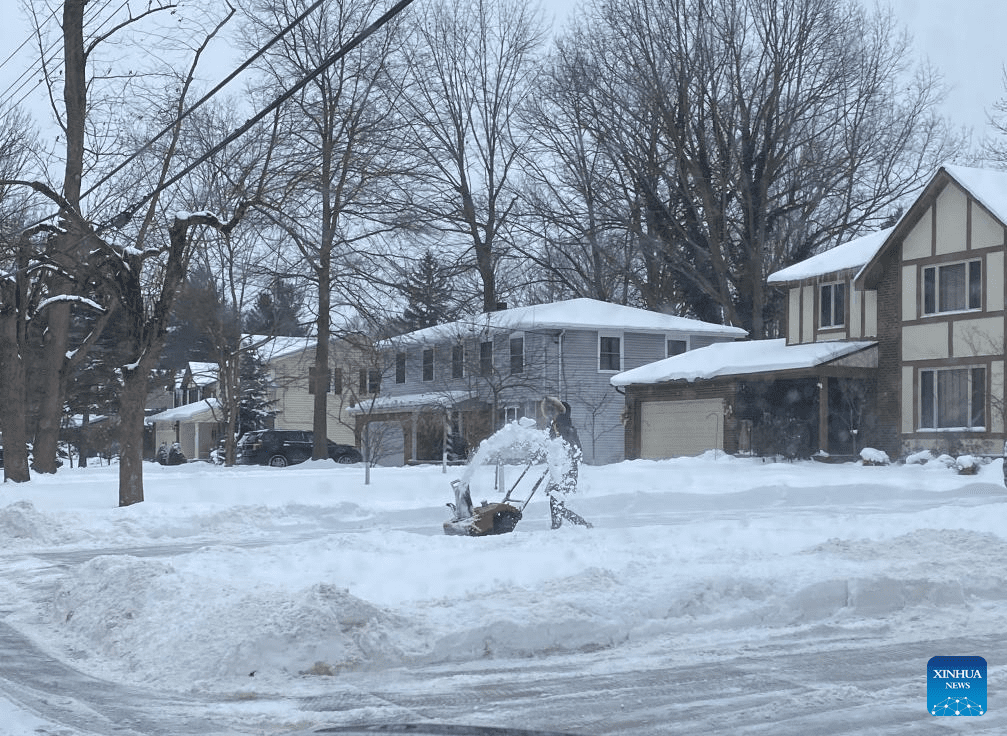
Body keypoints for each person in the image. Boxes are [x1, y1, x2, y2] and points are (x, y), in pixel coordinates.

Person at [541, 396, 592, 529]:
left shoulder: (565, 428)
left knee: (556, 502)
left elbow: (576, 450)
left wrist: (563, 459)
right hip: (560, 471)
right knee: (555, 502)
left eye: (555, 411)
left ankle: (578, 525)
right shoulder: (558, 426)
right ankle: (567, 525)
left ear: (561, 412)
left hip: (566, 472)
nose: (552, 414)